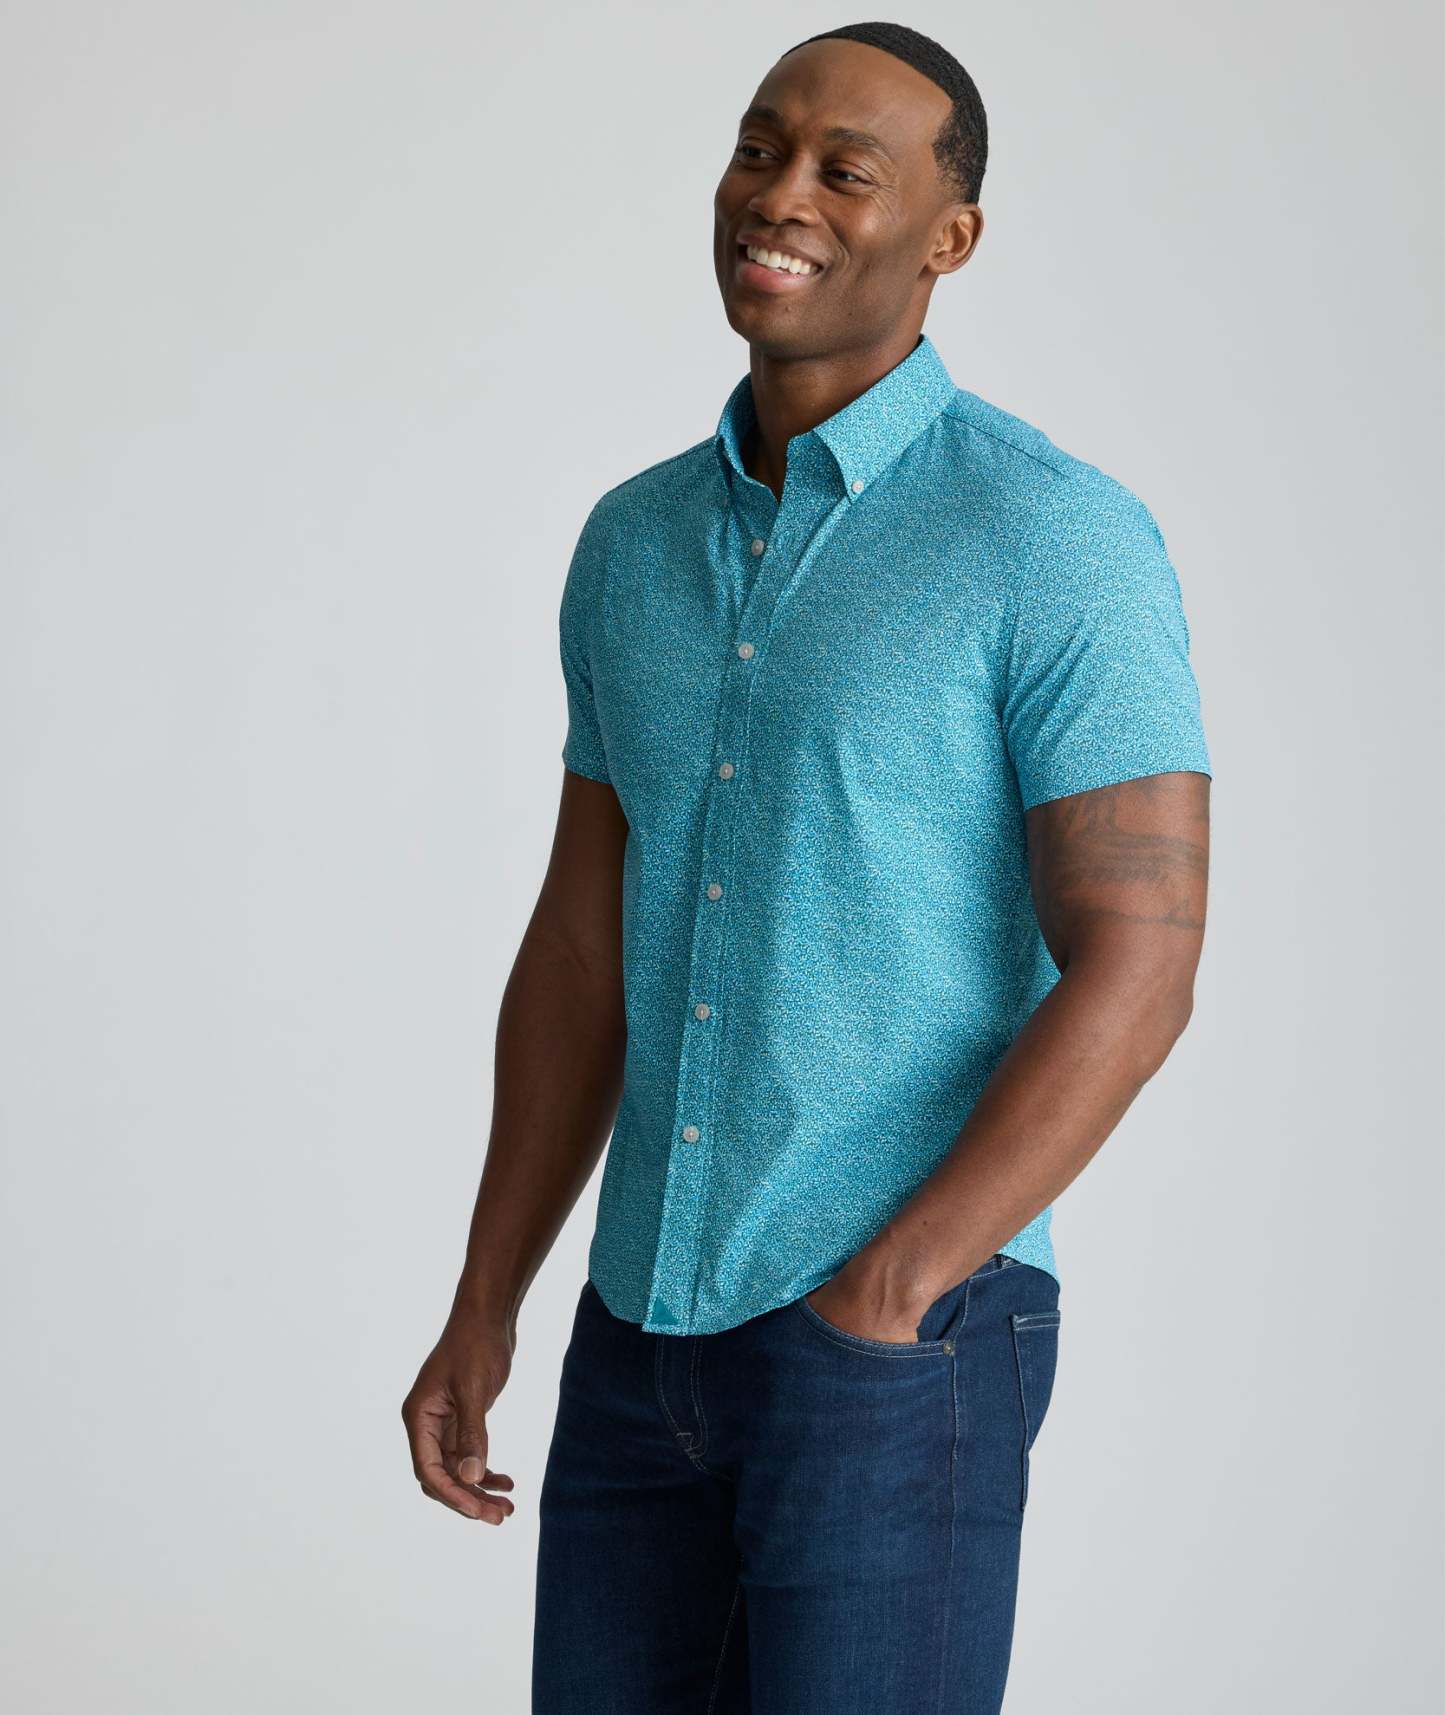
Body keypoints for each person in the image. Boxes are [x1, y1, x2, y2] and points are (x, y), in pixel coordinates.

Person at [402, 20, 1212, 1712]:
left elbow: (1139, 962)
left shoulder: (1052, 537)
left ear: (947, 236)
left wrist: (893, 1291)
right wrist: (490, 1296)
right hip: (638, 1333)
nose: (780, 196)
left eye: (848, 170)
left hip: (898, 1343)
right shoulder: (631, 543)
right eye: (760, 148)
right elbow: (581, 947)